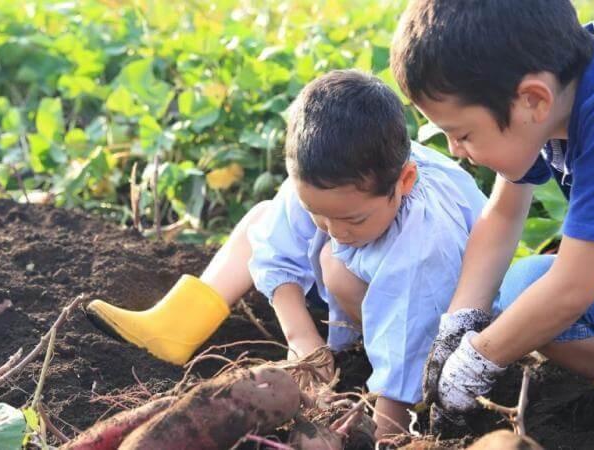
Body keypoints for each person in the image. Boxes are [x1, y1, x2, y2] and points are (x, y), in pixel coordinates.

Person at [85, 69, 487, 437]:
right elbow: (276, 250)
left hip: (437, 320)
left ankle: (358, 350)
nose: (336, 231)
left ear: (405, 181)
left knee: (335, 263)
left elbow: (411, 333)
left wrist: (389, 429)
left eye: (353, 220)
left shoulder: (425, 239)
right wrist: (303, 341)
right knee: (265, 218)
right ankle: (175, 328)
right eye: (320, 216)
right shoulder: (329, 177)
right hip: (366, 287)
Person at [389, 0, 594, 447]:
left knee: (546, 305)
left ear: (532, 99)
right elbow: (503, 215)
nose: (454, 149)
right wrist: (460, 323)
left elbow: (571, 290)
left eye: (462, 134)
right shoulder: (558, 88)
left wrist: (477, 362)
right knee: (525, 289)